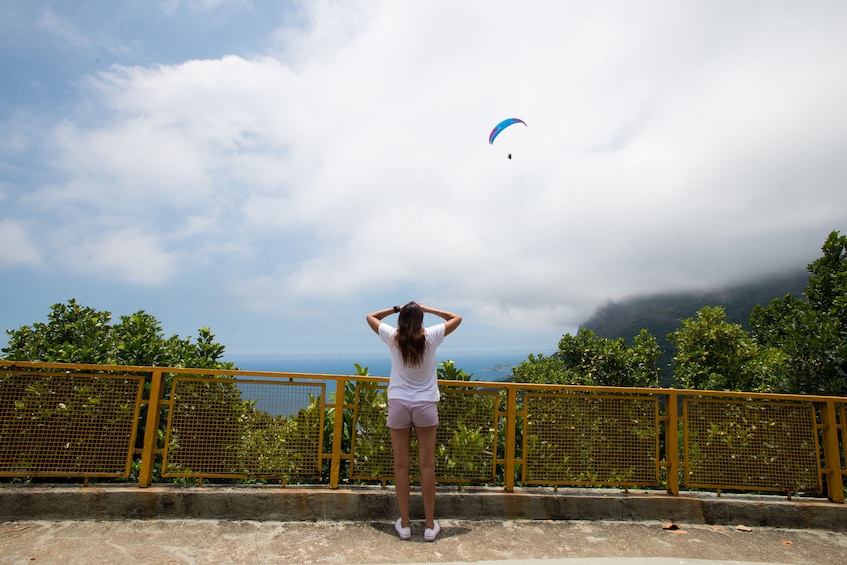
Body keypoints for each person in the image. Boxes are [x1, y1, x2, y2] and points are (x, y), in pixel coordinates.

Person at [366, 302, 462, 542]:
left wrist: (395, 309)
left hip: (399, 403)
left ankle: (406, 524)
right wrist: (428, 309)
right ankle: (430, 526)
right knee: (427, 466)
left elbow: (370, 316)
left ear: (401, 321)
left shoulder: (393, 336)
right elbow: (456, 318)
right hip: (426, 404)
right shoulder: (431, 336)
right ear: (421, 320)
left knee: (401, 466)